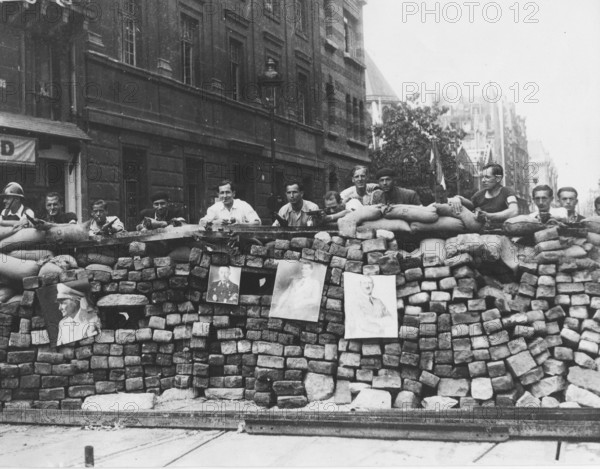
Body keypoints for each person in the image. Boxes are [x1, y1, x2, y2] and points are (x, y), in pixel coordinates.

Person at [448, 163, 519, 223]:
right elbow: (470, 205)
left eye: (487, 177)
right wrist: (458, 198)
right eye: (482, 177)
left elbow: (514, 211)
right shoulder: (479, 195)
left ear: (498, 179)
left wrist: (488, 216)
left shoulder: (507, 192)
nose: (483, 180)